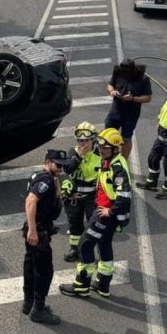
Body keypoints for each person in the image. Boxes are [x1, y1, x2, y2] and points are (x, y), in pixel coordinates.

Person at [60, 128, 132, 299]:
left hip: (104, 215)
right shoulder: (110, 161)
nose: (101, 149)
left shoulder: (117, 167)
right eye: (100, 146)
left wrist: (110, 211)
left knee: (84, 245)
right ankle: (103, 284)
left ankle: (81, 286)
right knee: (104, 245)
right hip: (105, 213)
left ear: (115, 148)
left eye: (105, 147)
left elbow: (124, 197)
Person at [22, 149, 69, 325]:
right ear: (48, 161)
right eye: (58, 165)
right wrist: (33, 230)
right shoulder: (46, 181)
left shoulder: (38, 175)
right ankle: (38, 310)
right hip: (38, 232)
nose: (60, 169)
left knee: (30, 266)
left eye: (63, 166)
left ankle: (29, 303)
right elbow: (30, 201)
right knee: (44, 272)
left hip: (35, 229)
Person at [62, 122, 102, 262]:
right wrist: (79, 156)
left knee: (93, 224)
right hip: (74, 195)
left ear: (93, 140)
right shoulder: (73, 152)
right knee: (74, 223)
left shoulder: (100, 153)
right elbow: (67, 169)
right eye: (80, 140)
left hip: (92, 196)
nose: (82, 143)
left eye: (86, 140)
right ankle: (74, 249)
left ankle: (91, 250)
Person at [103, 58, 152, 158]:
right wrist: (112, 91)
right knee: (107, 136)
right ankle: (108, 159)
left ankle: (123, 161)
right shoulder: (118, 73)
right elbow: (110, 85)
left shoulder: (143, 79)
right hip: (115, 111)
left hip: (130, 115)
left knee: (126, 138)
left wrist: (133, 98)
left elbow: (148, 98)